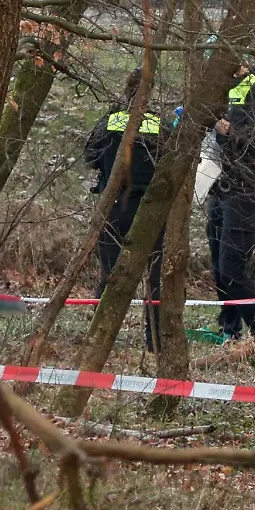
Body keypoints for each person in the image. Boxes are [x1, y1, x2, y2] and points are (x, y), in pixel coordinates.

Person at [83, 69, 167, 353]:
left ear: (125, 90)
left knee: (109, 275)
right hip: (149, 212)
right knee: (154, 279)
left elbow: (90, 157)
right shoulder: (158, 124)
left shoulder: (110, 121)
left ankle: (98, 338)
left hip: (115, 207)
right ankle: (154, 341)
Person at [205, 62, 255, 341]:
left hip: (245, 189)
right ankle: (230, 328)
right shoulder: (221, 85)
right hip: (218, 186)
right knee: (218, 265)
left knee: (232, 268)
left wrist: (226, 130)